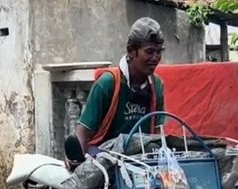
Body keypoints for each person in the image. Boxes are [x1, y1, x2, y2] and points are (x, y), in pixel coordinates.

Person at [65, 17, 166, 169]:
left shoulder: (156, 85)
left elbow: (158, 132)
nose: (155, 58)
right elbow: (83, 130)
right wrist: (74, 159)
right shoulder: (108, 83)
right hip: (105, 157)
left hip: (141, 158)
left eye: (158, 52)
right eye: (149, 52)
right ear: (131, 51)